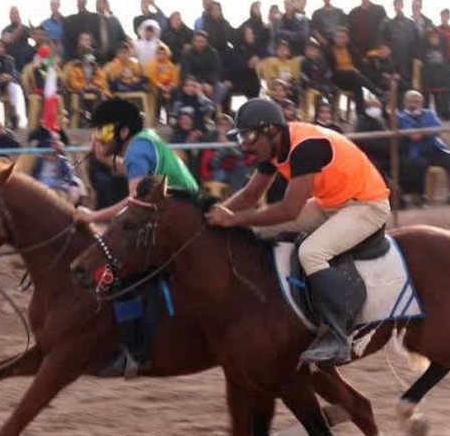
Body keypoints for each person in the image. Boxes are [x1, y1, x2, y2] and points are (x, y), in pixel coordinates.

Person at [206, 98, 391, 365]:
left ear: (271, 130)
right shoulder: (274, 147)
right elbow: (251, 194)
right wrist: (214, 216)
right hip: (332, 204)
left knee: (312, 252)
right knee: (256, 229)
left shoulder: (306, 147)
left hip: (366, 205)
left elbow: (289, 210)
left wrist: (233, 220)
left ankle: (337, 337)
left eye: (248, 135)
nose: (243, 144)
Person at [75, 99, 199, 378]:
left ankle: (136, 353)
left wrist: (92, 217)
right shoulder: (144, 142)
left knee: (117, 274)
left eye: (102, 131)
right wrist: (104, 157)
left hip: (176, 222)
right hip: (180, 214)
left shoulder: (136, 152)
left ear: (122, 132)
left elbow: (136, 203)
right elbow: (133, 175)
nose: (97, 137)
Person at [397, 90, 450, 205]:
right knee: (417, 165)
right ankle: (419, 196)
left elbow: (437, 129)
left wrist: (422, 132)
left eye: (417, 100)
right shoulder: (400, 117)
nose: (414, 103)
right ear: (405, 102)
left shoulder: (429, 113)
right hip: (415, 151)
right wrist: (427, 130)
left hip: (434, 148)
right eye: (411, 100)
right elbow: (414, 136)